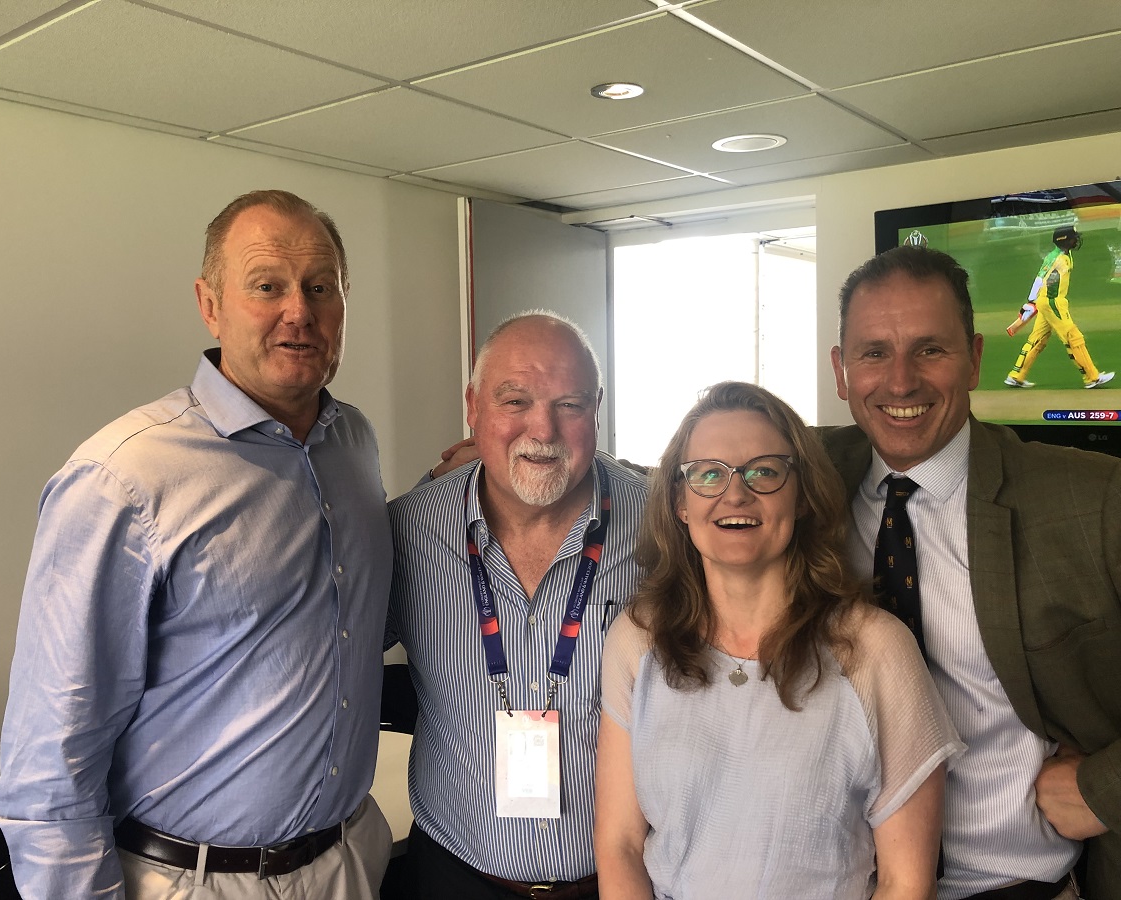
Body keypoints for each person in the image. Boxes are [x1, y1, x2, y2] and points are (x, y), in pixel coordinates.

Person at [0, 190, 394, 899]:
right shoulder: (125, 478)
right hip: (197, 879)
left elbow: (349, 617)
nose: (299, 311)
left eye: (320, 288)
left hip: (350, 861)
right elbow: (49, 770)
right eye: (267, 286)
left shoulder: (352, 442)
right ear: (210, 305)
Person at [827, 245, 1121, 899]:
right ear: (841, 371)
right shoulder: (799, 476)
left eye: (929, 350)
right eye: (874, 352)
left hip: (1014, 880)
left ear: (976, 359)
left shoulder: (1090, 498)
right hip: (844, 881)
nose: (900, 381)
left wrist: (1103, 789)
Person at [594, 381, 961, 899]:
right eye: (707, 474)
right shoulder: (639, 638)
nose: (735, 493)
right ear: (679, 502)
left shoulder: (875, 650)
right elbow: (620, 846)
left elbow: (905, 882)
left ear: (803, 495)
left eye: (764, 471)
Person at [386, 312, 647, 899]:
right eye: (515, 400)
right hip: (456, 877)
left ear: (598, 407)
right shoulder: (408, 532)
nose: (542, 429)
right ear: (473, 405)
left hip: (619, 880)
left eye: (570, 405)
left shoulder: (664, 530)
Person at [1004, 226, 1114, 389]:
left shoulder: (1060, 254)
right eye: (1073, 238)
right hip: (1052, 302)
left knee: (1038, 339)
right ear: (1063, 240)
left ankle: (1016, 376)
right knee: (1072, 336)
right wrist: (1031, 301)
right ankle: (1092, 377)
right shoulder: (1057, 259)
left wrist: (1034, 301)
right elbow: (1040, 279)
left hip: (1047, 301)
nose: (1076, 240)